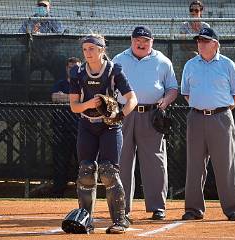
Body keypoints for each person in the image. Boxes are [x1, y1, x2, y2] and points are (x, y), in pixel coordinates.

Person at [69, 34, 137, 234]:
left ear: (101, 50)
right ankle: (84, 220)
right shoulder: (78, 72)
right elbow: (74, 106)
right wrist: (89, 105)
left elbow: (132, 98)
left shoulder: (114, 71)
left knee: (108, 171)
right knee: (86, 171)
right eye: (85, 49)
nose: (87, 53)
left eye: (92, 49)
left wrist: (120, 116)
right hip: (87, 125)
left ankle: (119, 220)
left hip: (109, 127)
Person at [112, 26, 178, 221]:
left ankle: (158, 207)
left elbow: (172, 88)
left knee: (155, 162)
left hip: (151, 115)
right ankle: (122, 207)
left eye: (145, 40)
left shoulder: (163, 61)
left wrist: (165, 101)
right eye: (137, 40)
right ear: (131, 40)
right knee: (122, 161)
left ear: (152, 41)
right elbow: (110, 85)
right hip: (124, 113)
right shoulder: (118, 59)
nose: (141, 43)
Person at [180, 27, 235, 221]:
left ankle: (233, 209)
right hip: (196, 117)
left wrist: (221, 110)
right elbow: (185, 92)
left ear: (215, 44)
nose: (201, 43)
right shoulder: (190, 65)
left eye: (205, 41)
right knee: (194, 166)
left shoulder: (228, 64)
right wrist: (202, 107)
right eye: (199, 40)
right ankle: (193, 210)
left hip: (221, 118)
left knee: (226, 165)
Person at [11, 0, 66, 83]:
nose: (42, 7)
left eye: (44, 6)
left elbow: (61, 37)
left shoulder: (54, 21)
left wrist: (45, 37)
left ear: (49, 7)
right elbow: (19, 37)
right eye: (40, 5)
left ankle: (60, 89)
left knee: (61, 60)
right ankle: (22, 91)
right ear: (36, 6)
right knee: (18, 60)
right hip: (32, 55)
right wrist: (31, 33)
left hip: (50, 55)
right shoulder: (29, 20)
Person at [50, 57, 81, 197]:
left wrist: (66, 97)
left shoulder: (83, 83)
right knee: (61, 163)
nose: (73, 70)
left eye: (76, 67)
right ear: (66, 68)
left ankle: (83, 192)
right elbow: (55, 97)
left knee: (83, 163)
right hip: (62, 130)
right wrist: (75, 99)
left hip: (81, 130)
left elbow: (85, 99)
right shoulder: (60, 83)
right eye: (70, 67)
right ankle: (58, 193)